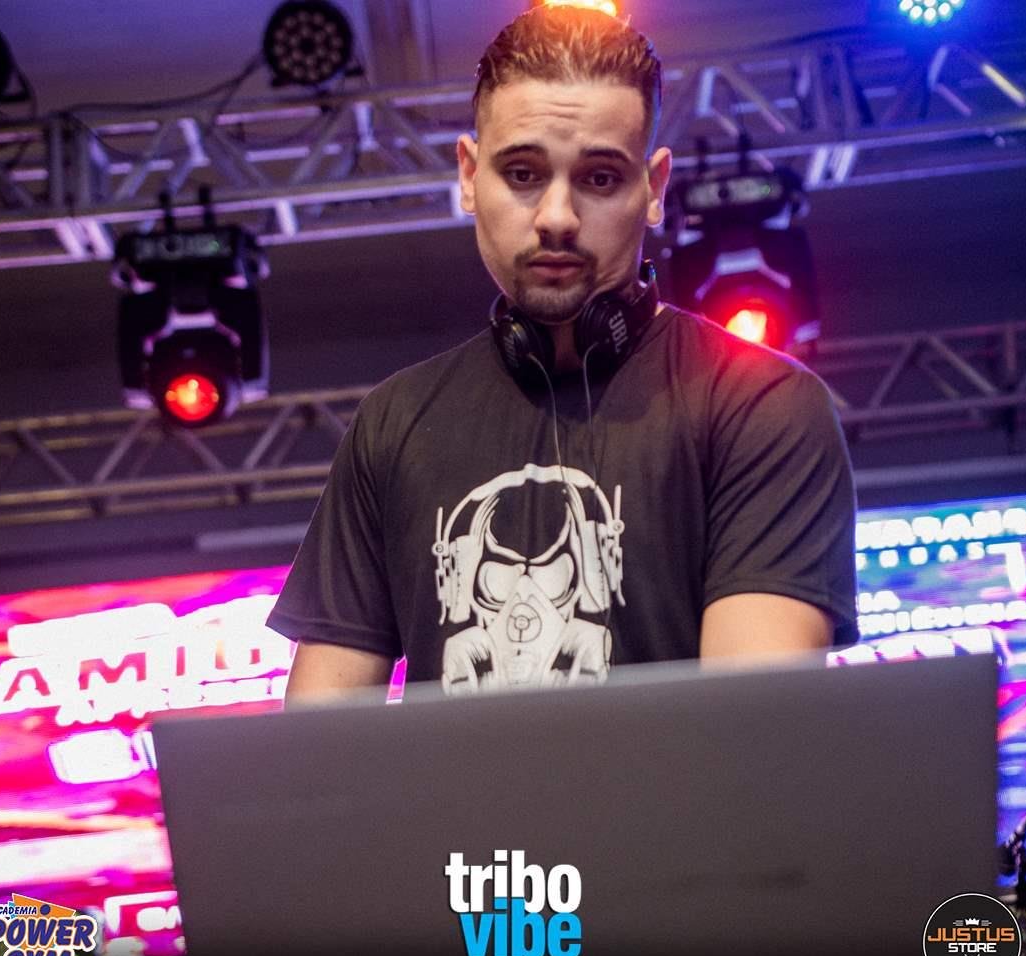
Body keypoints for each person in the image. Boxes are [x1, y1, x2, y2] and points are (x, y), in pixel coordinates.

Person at [267, 6, 858, 702]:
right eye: (522, 173)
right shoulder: (393, 424)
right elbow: (319, 744)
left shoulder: (760, 405)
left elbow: (751, 725)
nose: (556, 217)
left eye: (600, 178)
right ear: (468, 176)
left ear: (654, 189)